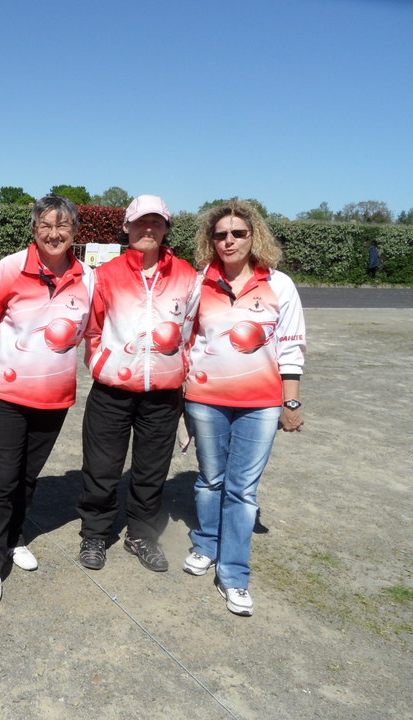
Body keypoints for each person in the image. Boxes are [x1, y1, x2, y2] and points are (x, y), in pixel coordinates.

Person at [182, 198, 305, 616]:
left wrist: (291, 401)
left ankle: (234, 574)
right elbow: (186, 340)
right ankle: (206, 544)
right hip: (206, 400)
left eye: (238, 233)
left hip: (260, 404)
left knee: (242, 490)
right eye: (221, 235)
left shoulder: (279, 285)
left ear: (254, 236)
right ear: (210, 240)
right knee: (210, 480)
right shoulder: (200, 282)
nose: (229, 241)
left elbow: (291, 347)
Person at [0, 195, 94, 603]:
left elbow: (85, 331)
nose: (54, 234)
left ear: (75, 231)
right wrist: (14, 364)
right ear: (34, 229)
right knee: (2, 477)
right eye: (46, 225)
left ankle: (14, 538)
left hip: (55, 395)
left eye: (63, 226)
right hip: (9, 392)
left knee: (28, 475)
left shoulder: (88, 278)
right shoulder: (10, 267)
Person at [76, 195, 201, 572]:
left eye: (157, 222)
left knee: (151, 471)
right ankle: (95, 533)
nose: (149, 229)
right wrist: (103, 363)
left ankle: (141, 535)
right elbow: (93, 328)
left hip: (163, 396)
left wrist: (180, 372)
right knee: (101, 468)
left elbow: (192, 332)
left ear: (166, 228)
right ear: (126, 227)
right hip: (112, 391)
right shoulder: (105, 274)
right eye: (141, 222)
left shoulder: (187, 276)